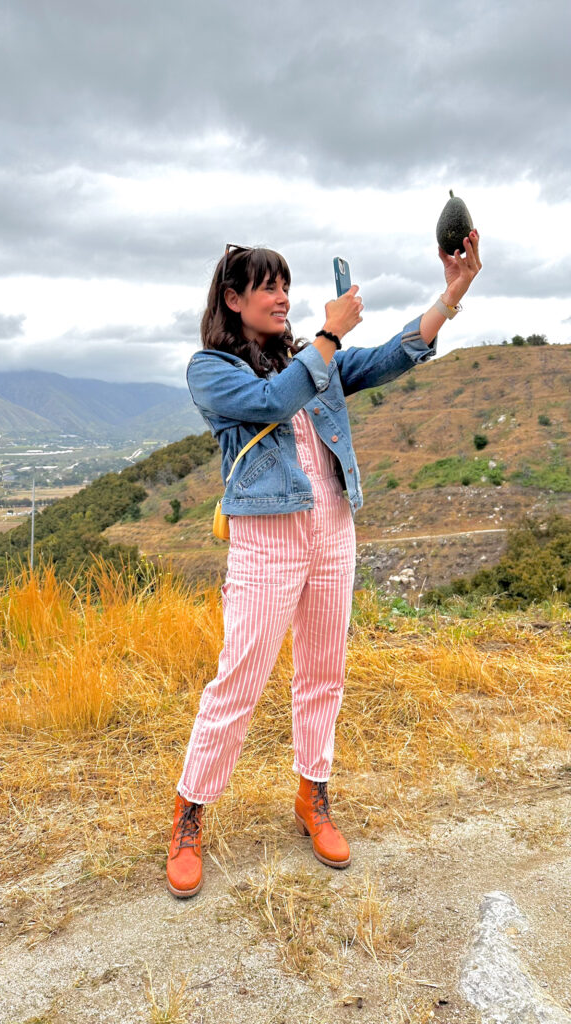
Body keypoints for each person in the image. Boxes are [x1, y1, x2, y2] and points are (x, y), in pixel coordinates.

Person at [167, 233, 481, 898]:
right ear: (233, 299)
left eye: (286, 285)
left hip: (334, 527)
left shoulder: (313, 357)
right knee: (239, 680)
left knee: (323, 672)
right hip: (267, 538)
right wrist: (329, 336)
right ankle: (189, 814)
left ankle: (314, 795)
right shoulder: (210, 369)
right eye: (268, 287)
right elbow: (269, 403)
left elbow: (392, 356)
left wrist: (451, 295)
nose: (283, 297)